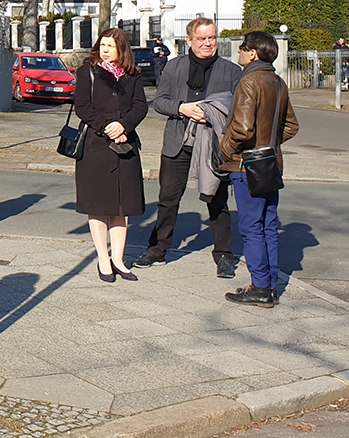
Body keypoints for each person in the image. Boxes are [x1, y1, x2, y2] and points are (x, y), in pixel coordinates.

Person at [136, 17, 242, 276]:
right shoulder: (174, 67)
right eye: (202, 39)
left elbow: (240, 109)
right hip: (177, 143)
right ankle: (158, 249)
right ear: (190, 41)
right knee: (168, 199)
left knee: (217, 201)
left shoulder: (231, 71)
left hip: (214, 146)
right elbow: (159, 102)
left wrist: (215, 115)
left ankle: (224, 254)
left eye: (212, 38)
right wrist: (182, 108)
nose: (208, 43)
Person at [219, 32, 299, 307]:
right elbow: (290, 126)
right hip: (271, 163)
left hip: (247, 165)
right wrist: (269, 144)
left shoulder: (249, 81)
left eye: (242, 48)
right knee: (267, 226)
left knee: (252, 227)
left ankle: (260, 287)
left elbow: (242, 128)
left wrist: (225, 149)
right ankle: (270, 286)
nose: (238, 53)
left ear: (252, 53)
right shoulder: (277, 82)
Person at [73, 29, 149, 282]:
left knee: (121, 206)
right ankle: (103, 259)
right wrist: (108, 126)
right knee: (98, 205)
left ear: (121, 49)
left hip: (125, 145)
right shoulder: (87, 72)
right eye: (102, 44)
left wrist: (124, 126)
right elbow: (82, 107)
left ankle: (118, 258)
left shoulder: (133, 75)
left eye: (110, 45)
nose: (105, 49)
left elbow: (140, 106)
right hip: (96, 145)